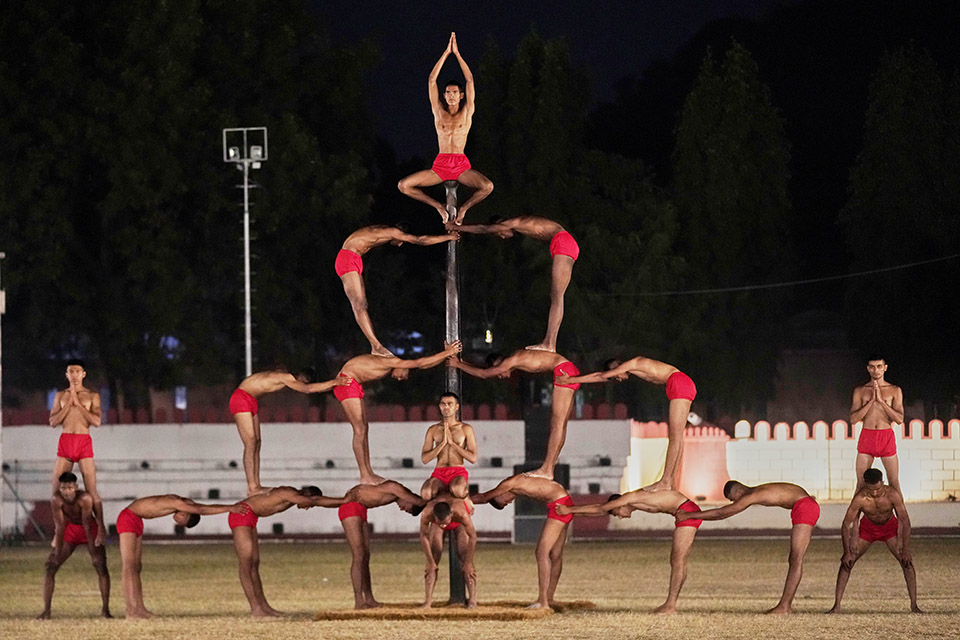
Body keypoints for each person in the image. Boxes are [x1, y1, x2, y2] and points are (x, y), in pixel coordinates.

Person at [676, 481, 819, 614]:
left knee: (796, 558)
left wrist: (689, 515)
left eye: (733, 499)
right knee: (795, 558)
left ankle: (785, 606)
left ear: (737, 491)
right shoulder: (760, 489)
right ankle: (785, 605)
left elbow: (722, 513)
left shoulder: (752, 495)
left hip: (804, 506)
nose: (735, 502)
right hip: (805, 504)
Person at [557, 355, 696, 492]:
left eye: (616, 372)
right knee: (677, 437)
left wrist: (570, 380)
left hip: (679, 382)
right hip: (680, 383)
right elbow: (604, 376)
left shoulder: (634, 362)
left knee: (674, 437)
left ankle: (665, 481)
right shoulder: (635, 368)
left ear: (618, 364)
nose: (617, 378)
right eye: (615, 378)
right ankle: (671, 482)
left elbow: (601, 376)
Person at [398, 32, 493, 223]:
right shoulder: (438, 112)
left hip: (460, 165)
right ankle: (439, 207)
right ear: (444, 95)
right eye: (448, 92)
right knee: (403, 185)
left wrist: (457, 54)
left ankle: (464, 210)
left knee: (487, 186)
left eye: (454, 92)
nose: (450, 95)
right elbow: (432, 81)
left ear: (461, 96)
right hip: (440, 165)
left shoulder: (466, 112)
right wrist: (445, 53)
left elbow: (470, 81)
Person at [335, 341, 462, 485]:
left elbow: (423, 365)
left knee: (363, 429)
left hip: (353, 384)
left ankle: (368, 472)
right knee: (359, 429)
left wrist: (443, 356)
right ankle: (365, 474)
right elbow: (419, 362)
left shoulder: (389, 360)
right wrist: (447, 353)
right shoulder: (393, 361)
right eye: (403, 375)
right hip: (346, 382)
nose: (399, 378)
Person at [557, 489, 702, 614]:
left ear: (620, 503)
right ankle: (670, 604)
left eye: (616, 512)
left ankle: (670, 606)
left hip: (687, 511)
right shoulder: (635, 499)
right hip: (684, 511)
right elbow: (600, 508)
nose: (620, 516)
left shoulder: (629, 498)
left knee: (677, 561)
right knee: (678, 561)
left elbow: (600, 508)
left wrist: (570, 510)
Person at [451, 215, 577, 352]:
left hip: (563, 241)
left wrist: (456, 228)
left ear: (499, 225)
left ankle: (549, 343)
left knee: (557, 296)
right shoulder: (521, 224)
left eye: (499, 233)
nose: (503, 237)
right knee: (556, 296)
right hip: (563, 242)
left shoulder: (510, 223)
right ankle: (549, 343)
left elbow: (483, 228)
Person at [449, 348, 579, 480]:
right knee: (560, 425)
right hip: (566, 369)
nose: (500, 376)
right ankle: (549, 467)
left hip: (563, 371)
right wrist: (462, 362)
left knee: (557, 425)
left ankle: (547, 469)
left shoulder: (510, 361)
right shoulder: (516, 358)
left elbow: (484, 374)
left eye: (498, 372)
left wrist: (458, 365)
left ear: (498, 363)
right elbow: (485, 371)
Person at [116, 494, 249, 619]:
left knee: (136, 567)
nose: (179, 522)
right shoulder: (179, 503)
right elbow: (201, 509)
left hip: (136, 520)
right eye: (183, 521)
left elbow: (197, 506)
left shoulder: (181, 503)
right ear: (185, 513)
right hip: (128, 517)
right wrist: (230, 508)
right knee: (129, 565)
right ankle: (131, 611)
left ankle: (139, 608)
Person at [337, 224, 459, 357]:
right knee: (360, 306)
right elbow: (421, 240)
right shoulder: (393, 231)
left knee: (363, 305)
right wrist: (448, 237)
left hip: (352, 258)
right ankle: (376, 346)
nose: (400, 244)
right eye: (401, 240)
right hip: (348, 258)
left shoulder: (382, 230)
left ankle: (375, 345)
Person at [229, 368, 351, 496]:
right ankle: (252, 487)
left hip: (251, 400)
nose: (302, 385)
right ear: (302, 378)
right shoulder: (286, 377)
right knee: (250, 443)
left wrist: (335, 385)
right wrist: (334, 382)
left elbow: (311, 388)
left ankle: (256, 484)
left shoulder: (286, 377)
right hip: (241, 398)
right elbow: (307, 389)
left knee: (257, 443)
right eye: (304, 382)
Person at [229, 486, 346, 616]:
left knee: (254, 563)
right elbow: (313, 501)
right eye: (309, 505)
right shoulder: (290, 493)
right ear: (307, 495)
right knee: (246, 563)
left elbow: (312, 501)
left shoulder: (291, 496)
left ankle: (264, 606)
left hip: (250, 516)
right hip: (241, 513)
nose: (307, 508)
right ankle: (256, 609)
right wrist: (344, 500)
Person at [472, 474, 573, 609]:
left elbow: (484, 497)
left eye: (505, 502)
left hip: (559, 505)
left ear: (499, 495)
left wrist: (462, 500)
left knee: (541, 553)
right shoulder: (520, 481)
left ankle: (543, 601)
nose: (510, 502)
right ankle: (549, 598)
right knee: (555, 554)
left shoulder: (510, 483)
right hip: (564, 501)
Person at [828, 468, 921, 613]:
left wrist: (906, 549)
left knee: (907, 562)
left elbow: (905, 520)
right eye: (871, 490)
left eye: (878, 489)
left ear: (882, 483)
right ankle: (836, 606)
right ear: (865, 485)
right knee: (847, 562)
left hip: (890, 528)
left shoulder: (892, 494)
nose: (875, 493)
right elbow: (846, 524)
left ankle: (914, 605)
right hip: (868, 529)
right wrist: (847, 551)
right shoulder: (860, 498)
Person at [322, 481, 426, 609]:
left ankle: (369, 598)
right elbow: (420, 502)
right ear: (409, 499)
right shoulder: (396, 488)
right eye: (407, 508)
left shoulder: (393, 492)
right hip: (350, 507)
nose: (402, 508)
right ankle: (359, 601)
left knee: (365, 556)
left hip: (360, 509)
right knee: (358, 555)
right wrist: (440, 498)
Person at [37, 472, 111, 619]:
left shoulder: (85, 499)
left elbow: (87, 526)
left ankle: (105, 610)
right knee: (51, 565)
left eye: (70, 488)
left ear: (76, 487)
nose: (66, 492)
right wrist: (57, 552)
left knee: (100, 565)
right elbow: (59, 527)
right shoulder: (56, 500)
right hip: (70, 529)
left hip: (89, 528)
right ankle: (46, 611)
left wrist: (93, 552)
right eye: (63, 488)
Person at [48, 359, 105, 536]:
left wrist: (78, 403)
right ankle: (59, 532)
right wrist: (70, 401)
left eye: (77, 371)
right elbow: (53, 422)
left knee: (92, 491)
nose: (74, 374)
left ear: (83, 374)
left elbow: (96, 422)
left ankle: (101, 529)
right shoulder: (60, 395)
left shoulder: (92, 396)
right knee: (56, 493)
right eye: (70, 371)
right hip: (65, 442)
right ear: (66, 374)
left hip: (83, 442)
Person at [850, 355, 904, 493]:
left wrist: (880, 401)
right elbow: (853, 419)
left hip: (885, 436)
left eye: (879, 366)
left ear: (885, 368)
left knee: (894, 483)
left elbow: (899, 419)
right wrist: (871, 402)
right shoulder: (860, 391)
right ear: (868, 369)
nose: (876, 370)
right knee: (861, 484)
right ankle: (854, 515)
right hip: (867, 436)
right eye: (872, 367)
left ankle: (902, 515)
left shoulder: (894, 390)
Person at [419, 495, 477, 608]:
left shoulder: (461, 513)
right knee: (434, 554)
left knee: (465, 555)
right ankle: (428, 601)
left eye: (445, 522)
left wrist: (468, 563)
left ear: (450, 515)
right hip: (436, 523)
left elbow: (473, 537)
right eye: (441, 523)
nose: (444, 525)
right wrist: (430, 562)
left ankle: (473, 600)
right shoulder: (427, 513)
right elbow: (423, 537)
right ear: (434, 516)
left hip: (458, 523)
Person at [420, 392, 477, 500]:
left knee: (458, 489)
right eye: (443, 403)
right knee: (426, 493)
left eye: (450, 403)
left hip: (457, 471)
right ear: (439, 406)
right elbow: (425, 459)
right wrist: (441, 444)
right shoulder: (433, 429)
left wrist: (452, 444)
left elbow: (473, 458)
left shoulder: (466, 428)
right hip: (439, 472)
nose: (446, 406)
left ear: (456, 407)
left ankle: (466, 499)